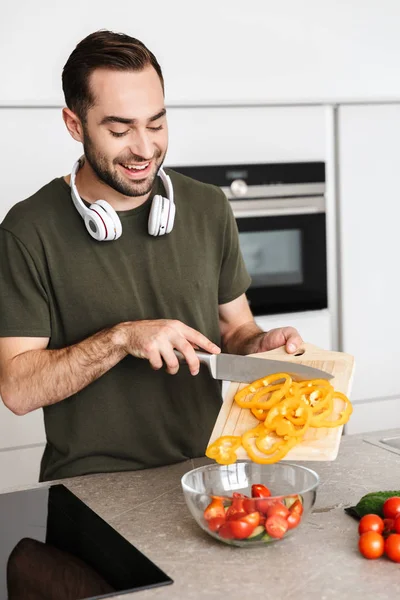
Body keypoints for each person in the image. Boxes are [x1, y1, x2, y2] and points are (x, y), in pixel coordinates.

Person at [0, 30, 303, 482]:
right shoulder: (27, 231)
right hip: (93, 487)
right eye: (120, 130)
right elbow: (18, 389)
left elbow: (233, 328)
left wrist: (258, 345)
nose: (144, 148)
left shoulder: (207, 207)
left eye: (156, 124)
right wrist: (121, 339)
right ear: (74, 124)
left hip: (211, 474)